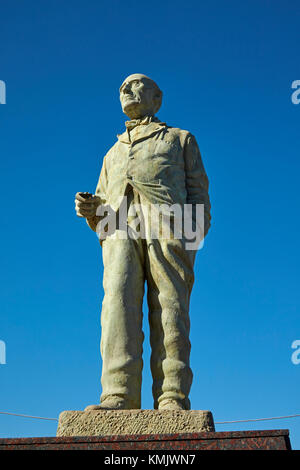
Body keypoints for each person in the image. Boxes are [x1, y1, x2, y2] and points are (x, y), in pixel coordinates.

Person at [75, 74, 211, 411]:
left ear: (157, 97)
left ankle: (172, 396)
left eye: (136, 85)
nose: (126, 90)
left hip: (168, 227)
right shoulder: (112, 153)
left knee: (170, 309)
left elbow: (200, 197)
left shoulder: (180, 140)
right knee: (117, 305)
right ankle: (118, 394)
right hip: (119, 227)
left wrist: (186, 237)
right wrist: (92, 211)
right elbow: (103, 206)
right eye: (123, 86)